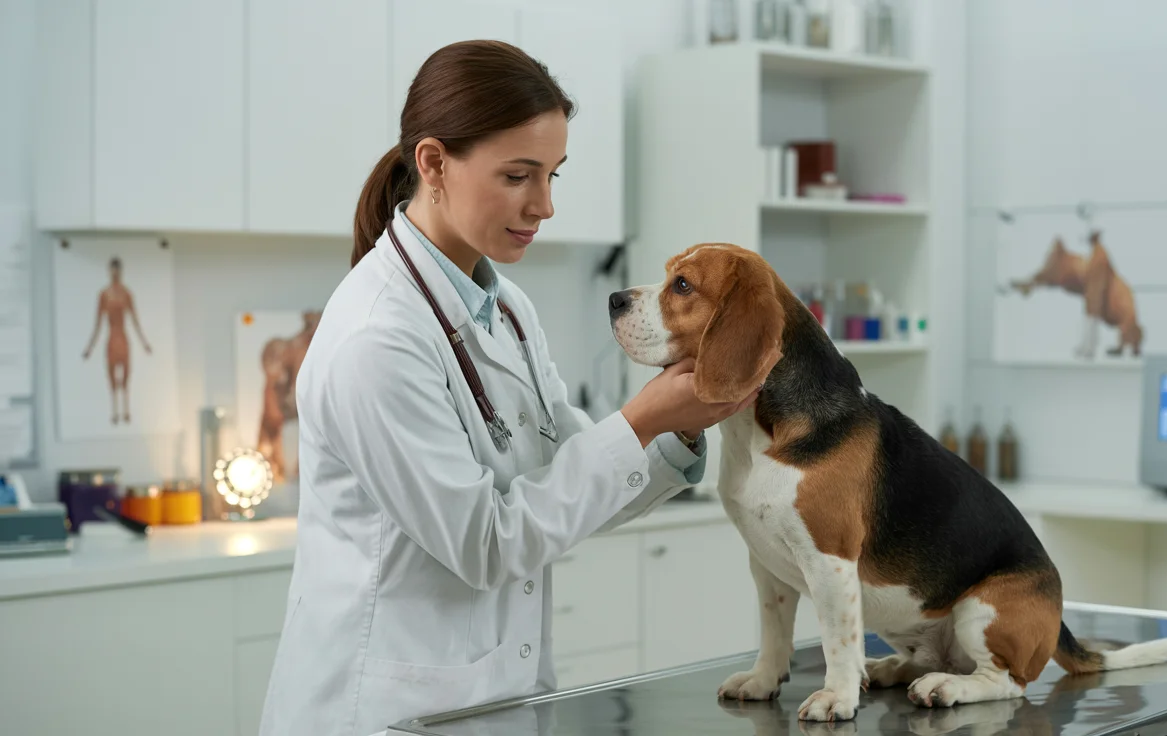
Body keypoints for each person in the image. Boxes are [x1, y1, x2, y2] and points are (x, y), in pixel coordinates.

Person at [258, 40, 755, 736]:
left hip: (493, 700)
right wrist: (641, 420)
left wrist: (680, 421)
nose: (544, 204)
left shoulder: (508, 309)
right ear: (433, 163)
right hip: (382, 711)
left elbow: (570, 487)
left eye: (553, 175)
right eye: (519, 175)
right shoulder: (376, 339)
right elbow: (486, 544)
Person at [81, 256, 151, 425]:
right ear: (109, 271)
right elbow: (97, 324)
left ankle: (126, 411)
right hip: (111, 339)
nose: (115, 273)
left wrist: (144, 343)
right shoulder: (104, 295)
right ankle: (115, 412)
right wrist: (89, 348)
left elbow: (135, 320)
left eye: (117, 269)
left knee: (126, 377)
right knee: (112, 378)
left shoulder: (126, 294)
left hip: (123, 339)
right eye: (113, 269)